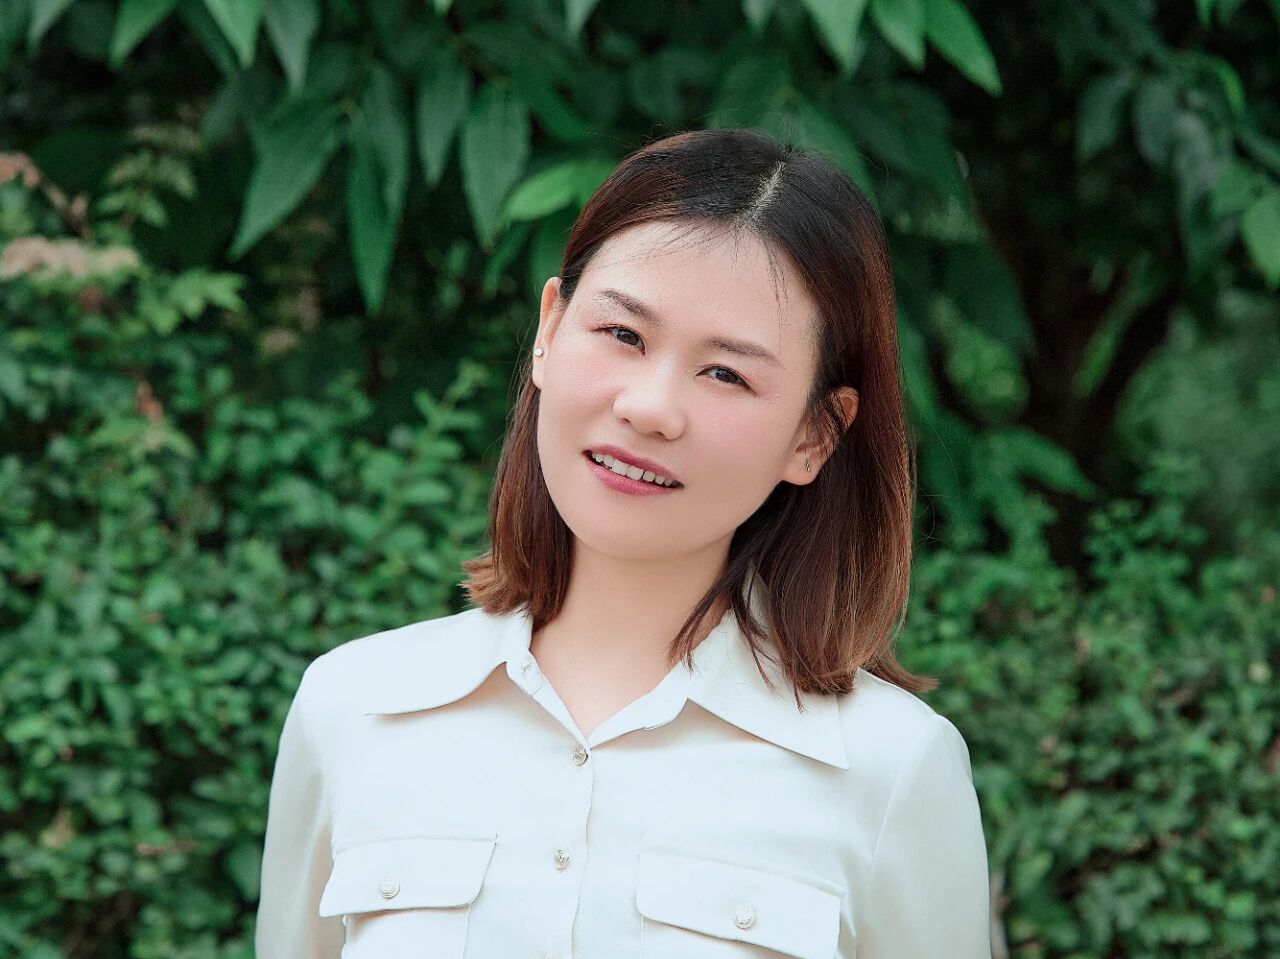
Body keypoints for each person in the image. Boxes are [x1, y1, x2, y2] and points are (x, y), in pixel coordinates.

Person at [254, 127, 992, 958]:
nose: (649, 407)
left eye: (726, 373)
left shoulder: (892, 769)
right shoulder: (351, 710)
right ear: (548, 329)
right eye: (623, 335)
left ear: (814, 435)